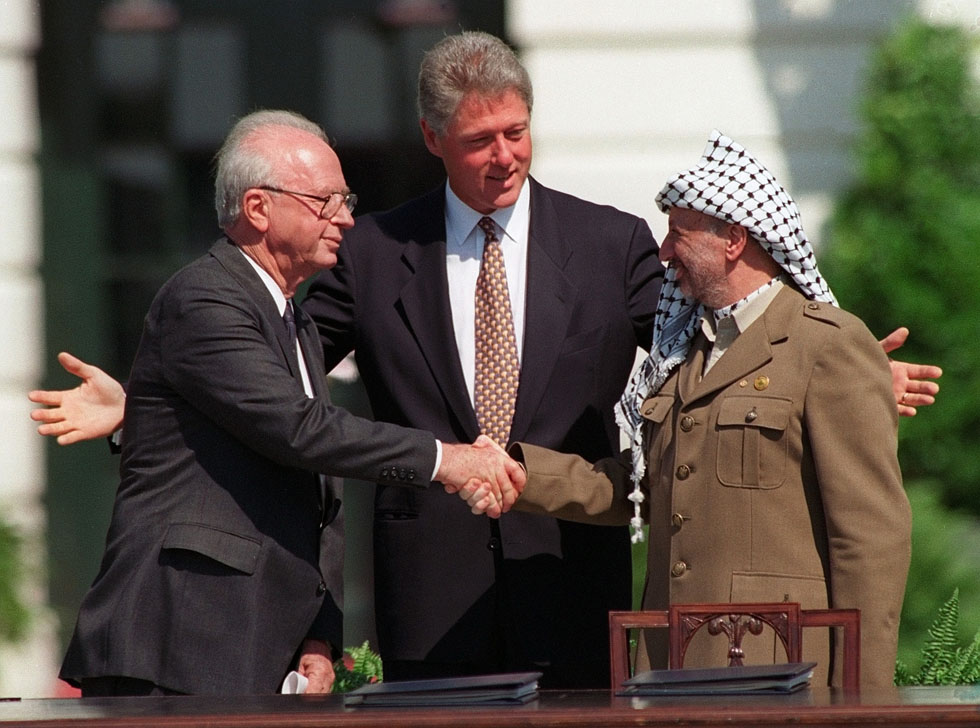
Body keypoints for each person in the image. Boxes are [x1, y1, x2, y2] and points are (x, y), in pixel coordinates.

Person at [31, 34, 939, 687]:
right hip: (432, 592)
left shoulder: (610, 239)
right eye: (479, 139)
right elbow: (281, 374)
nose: (503, 156)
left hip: (573, 581)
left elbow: (700, 348)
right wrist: (150, 400)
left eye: (516, 132)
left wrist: (842, 375)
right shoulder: (377, 248)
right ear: (435, 141)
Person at [54, 109, 523, 697]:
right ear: (258, 208)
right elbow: (301, 430)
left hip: (254, 648)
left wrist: (319, 638)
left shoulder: (294, 319)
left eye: (346, 200)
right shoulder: (204, 298)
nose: (346, 218)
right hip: (176, 642)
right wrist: (447, 460)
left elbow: (312, 490)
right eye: (326, 201)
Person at [460, 131, 914, 688]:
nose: (664, 252)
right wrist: (521, 475)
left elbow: (869, 537)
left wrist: (863, 693)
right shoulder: (684, 348)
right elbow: (644, 487)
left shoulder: (827, 345)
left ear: (734, 240)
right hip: (673, 663)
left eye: (678, 234)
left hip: (779, 669)